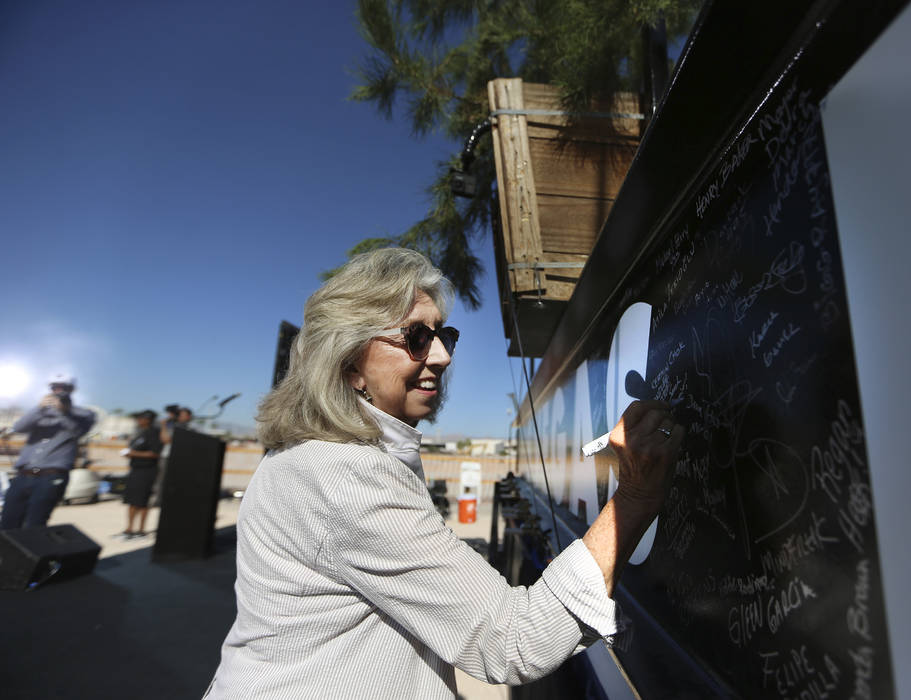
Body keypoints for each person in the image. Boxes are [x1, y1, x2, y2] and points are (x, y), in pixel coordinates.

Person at [205, 249, 683, 699]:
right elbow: (514, 639)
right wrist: (637, 495)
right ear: (350, 364)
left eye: (443, 335)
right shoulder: (344, 473)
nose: (442, 356)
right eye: (416, 337)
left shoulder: (312, 456)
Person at [0, 373, 96, 529]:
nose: (58, 390)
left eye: (63, 387)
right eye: (54, 387)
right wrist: (38, 409)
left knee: (35, 524)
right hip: (24, 474)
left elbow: (76, 431)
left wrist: (62, 412)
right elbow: (18, 427)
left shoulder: (84, 414)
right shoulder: (40, 411)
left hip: (51, 476)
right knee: (8, 521)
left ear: (71, 390)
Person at [120, 409, 162, 538]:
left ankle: (141, 529)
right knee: (132, 500)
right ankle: (130, 528)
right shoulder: (139, 433)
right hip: (135, 469)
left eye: (140, 418)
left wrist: (134, 453)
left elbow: (154, 453)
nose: (138, 420)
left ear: (147, 419)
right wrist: (129, 454)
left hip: (147, 471)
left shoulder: (154, 433)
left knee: (142, 500)